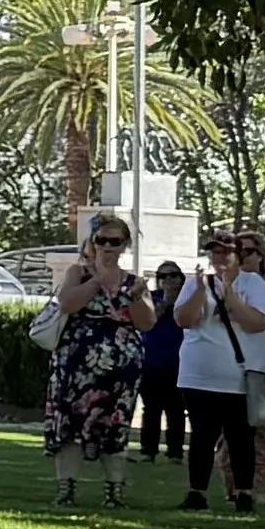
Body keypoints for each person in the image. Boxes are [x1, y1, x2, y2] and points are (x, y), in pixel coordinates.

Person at [42, 216, 152, 507]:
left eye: (114, 241)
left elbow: (146, 323)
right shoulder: (78, 272)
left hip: (121, 369)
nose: (107, 247)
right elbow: (67, 303)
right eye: (101, 240)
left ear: (125, 245)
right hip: (77, 364)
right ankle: (66, 490)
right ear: (91, 242)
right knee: (70, 423)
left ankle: (113, 492)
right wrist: (98, 280)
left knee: (115, 425)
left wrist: (134, 297)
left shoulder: (134, 282)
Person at [175, 231, 265, 512]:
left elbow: (257, 322)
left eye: (226, 252)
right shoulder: (196, 283)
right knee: (202, 436)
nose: (219, 258)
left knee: (241, 437)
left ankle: (244, 492)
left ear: (238, 256)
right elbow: (184, 320)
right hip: (199, 374)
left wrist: (229, 293)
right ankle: (197, 492)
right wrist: (198, 290)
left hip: (240, 376)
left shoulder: (252, 283)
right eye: (214, 252)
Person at [135, 261, 188, 462]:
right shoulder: (151, 297)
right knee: (151, 409)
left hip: (180, 363)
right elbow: (146, 322)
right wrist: (164, 303)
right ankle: (148, 450)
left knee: (176, 409)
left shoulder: (188, 299)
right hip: (151, 362)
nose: (168, 280)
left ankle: (175, 452)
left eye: (172, 275)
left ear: (181, 278)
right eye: (163, 276)